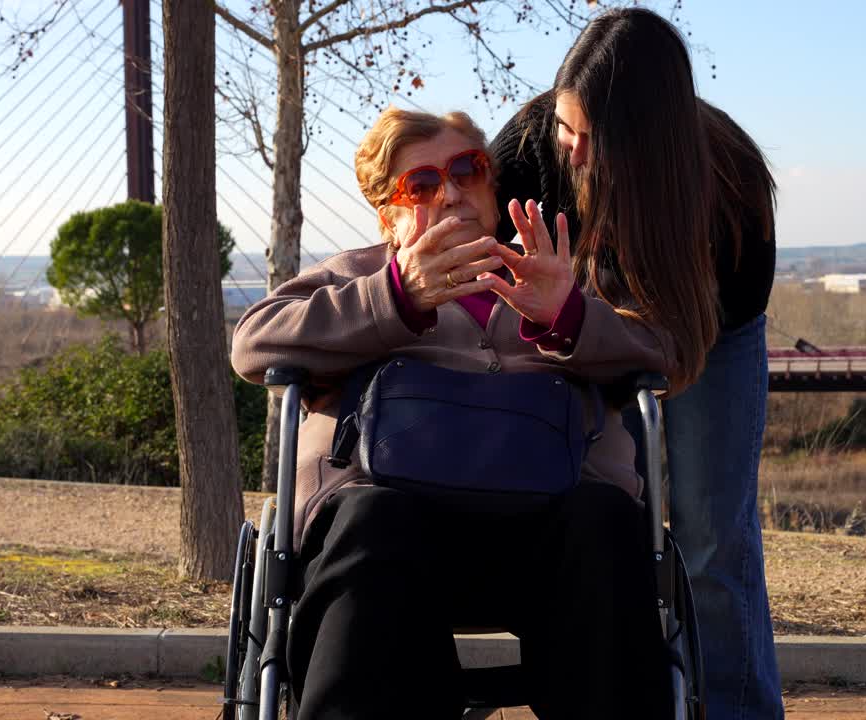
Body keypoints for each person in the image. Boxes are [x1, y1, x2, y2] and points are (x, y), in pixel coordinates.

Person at [231, 107, 680, 720]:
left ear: (493, 186)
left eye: (469, 169)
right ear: (389, 214)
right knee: (368, 518)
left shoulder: (554, 271)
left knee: (603, 520)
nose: (451, 193)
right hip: (393, 521)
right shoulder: (356, 276)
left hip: (551, 522)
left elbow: (665, 355)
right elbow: (253, 344)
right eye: (421, 184)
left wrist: (568, 316)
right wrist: (396, 296)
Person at [491, 8, 783, 719]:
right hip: (574, 332)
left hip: (710, 339)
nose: (571, 149)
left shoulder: (731, 184)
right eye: (566, 127)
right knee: (607, 519)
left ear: (646, 142)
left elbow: (694, 349)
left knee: (712, 537)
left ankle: (737, 709)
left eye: (592, 137)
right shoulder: (530, 151)